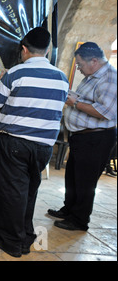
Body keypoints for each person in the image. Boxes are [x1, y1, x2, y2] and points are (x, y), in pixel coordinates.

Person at [0, 27, 69, 257]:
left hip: (16, 142)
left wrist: (1, 80)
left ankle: (11, 241)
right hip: (44, 146)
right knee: (29, 190)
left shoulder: (17, 73)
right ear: (48, 50)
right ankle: (25, 236)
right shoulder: (62, 78)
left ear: (24, 49)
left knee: (12, 192)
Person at [47, 42, 117, 231]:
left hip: (96, 138)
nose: (78, 68)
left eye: (80, 64)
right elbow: (86, 99)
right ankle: (69, 209)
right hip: (82, 137)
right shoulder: (91, 76)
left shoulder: (110, 79)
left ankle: (79, 220)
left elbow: (105, 112)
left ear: (94, 61)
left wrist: (75, 103)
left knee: (86, 181)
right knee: (73, 177)